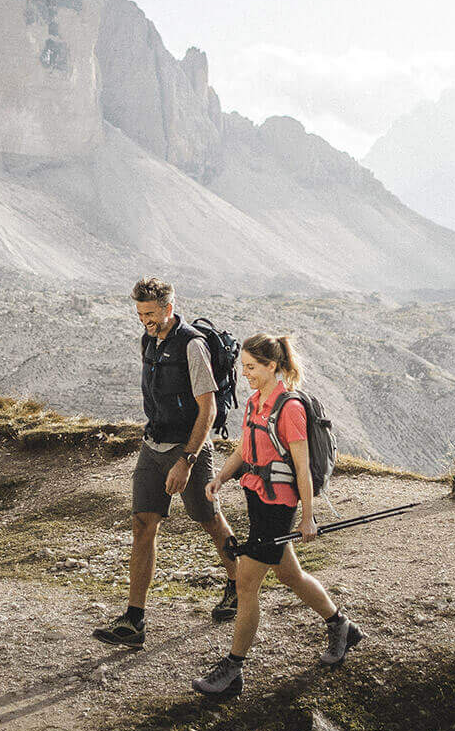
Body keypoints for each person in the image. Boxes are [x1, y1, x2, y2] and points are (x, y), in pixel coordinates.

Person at [191, 333, 361, 697]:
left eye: (252, 367)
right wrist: (221, 476)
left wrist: (308, 517)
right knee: (289, 575)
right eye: (244, 367)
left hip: (278, 507)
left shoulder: (290, 408)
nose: (246, 374)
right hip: (257, 498)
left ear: (272, 366)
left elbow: (302, 468)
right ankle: (341, 626)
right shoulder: (255, 402)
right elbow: (245, 448)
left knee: (245, 583)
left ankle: (233, 669)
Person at [92, 277, 241, 647]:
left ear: (168, 308)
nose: (145, 320)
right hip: (152, 445)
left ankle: (239, 586)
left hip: (187, 449)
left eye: (151, 314)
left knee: (209, 519)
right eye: (140, 314)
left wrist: (187, 461)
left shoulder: (192, 345)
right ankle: (134, 620)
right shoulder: (148, 341)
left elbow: (208, 409)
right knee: (142, 524)